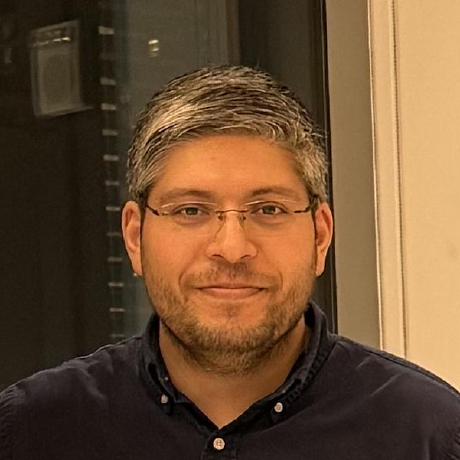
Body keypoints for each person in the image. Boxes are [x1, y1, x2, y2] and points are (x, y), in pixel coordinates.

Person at [0, 66, 459, 459]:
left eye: (268, 209)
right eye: (191, 211)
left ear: (320, 235)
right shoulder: (33, 433)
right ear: (135, 237)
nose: (233, 248)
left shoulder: (429, 436)